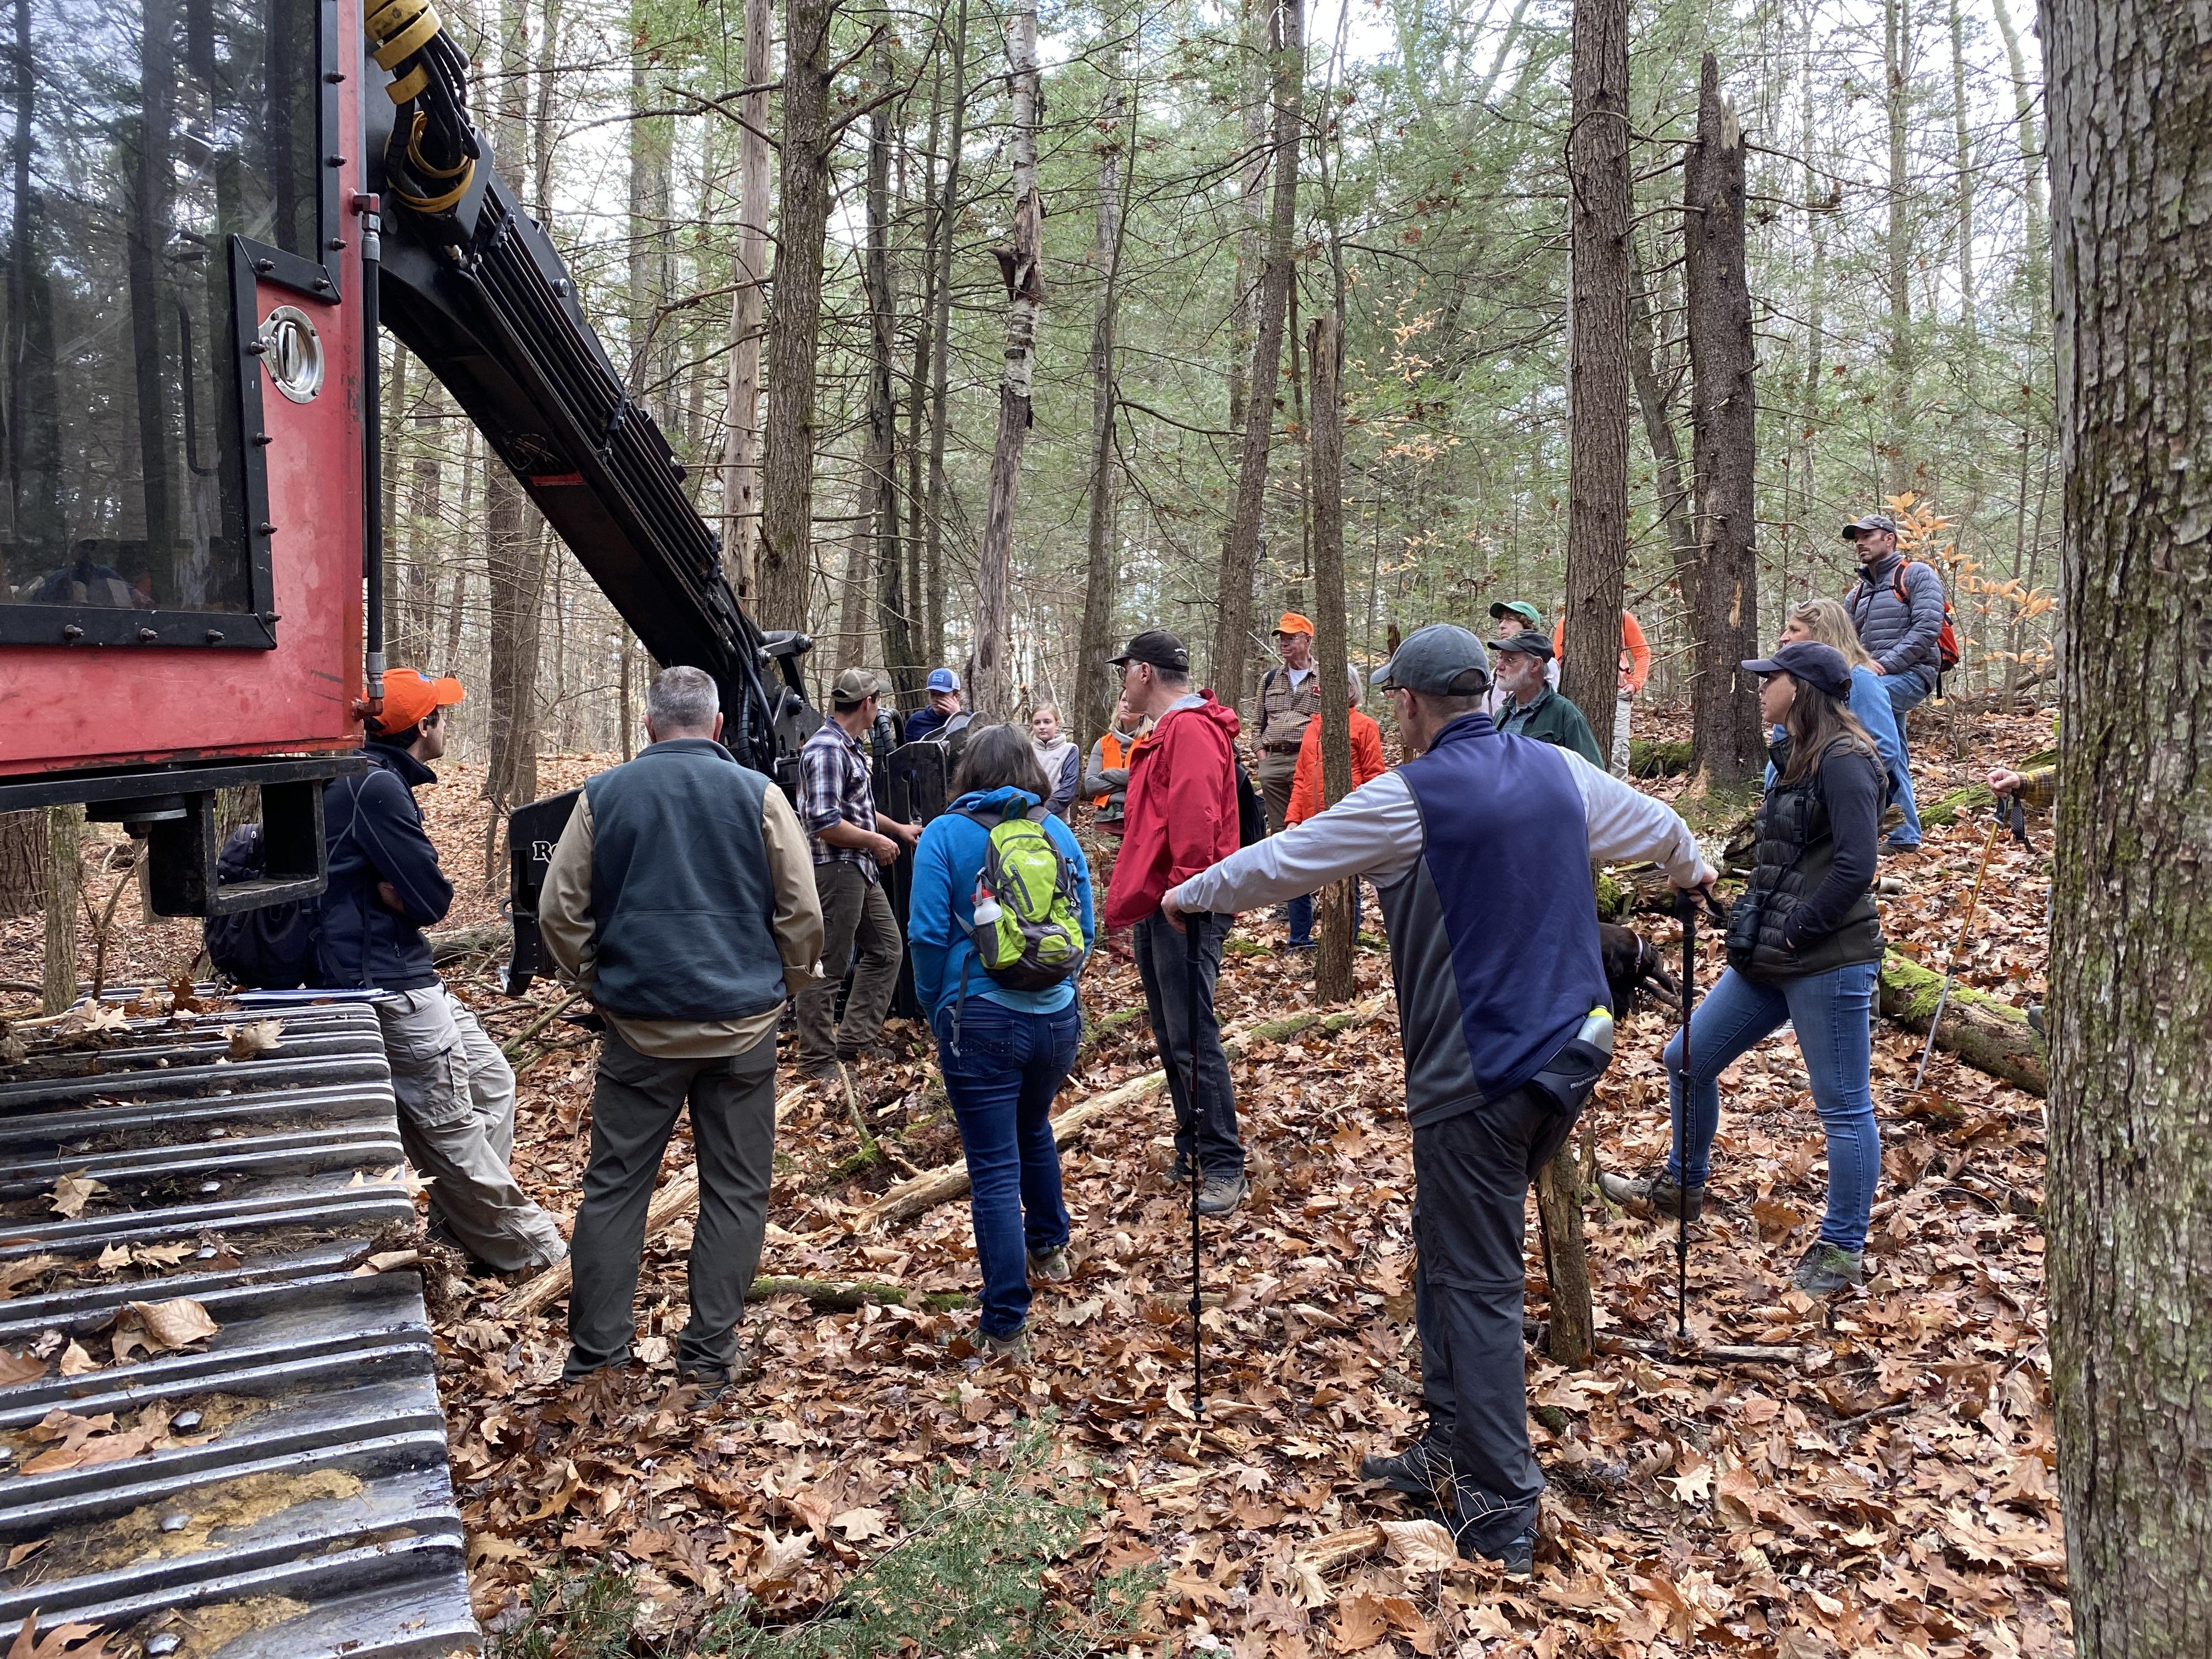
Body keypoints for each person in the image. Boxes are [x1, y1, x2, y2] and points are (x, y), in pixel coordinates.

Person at [1161, 624, 1712, 1571]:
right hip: (1573, 1049)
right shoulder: (1556, 773)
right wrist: (1693, 868)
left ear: (1411, 706)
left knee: (1476, 1270)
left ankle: (1500, 1504)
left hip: (1483, 1070)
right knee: (1450, 1244)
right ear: (1481, 693)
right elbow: (1660, 829)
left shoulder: (1403, 797)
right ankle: (1450, 1442)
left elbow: (1288, 858)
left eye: (1396, 700)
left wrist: (1189, 896)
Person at [537, 667, 826, 1392]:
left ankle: (597, 1360)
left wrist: (596, 981)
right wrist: (778, 989)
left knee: (615, 1189)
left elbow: (557, 911)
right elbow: (804, 913)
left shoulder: (604, 797)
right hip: (742, 1029)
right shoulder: (758, 795)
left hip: (638, 1027)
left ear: (649, 725)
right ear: (720, 726)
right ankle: (707, 1358)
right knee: (735, 1189)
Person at [1600, 641, 1886, 1298]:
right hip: (1772, 955)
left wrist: (1799, 927)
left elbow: (1855, 867)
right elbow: (1787, 860)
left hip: (1828, 959)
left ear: (1804, 689)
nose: (1761, 689)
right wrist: (1732, 907)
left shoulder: (1846, 759)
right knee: (1687, 1058)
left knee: (1843, 1109)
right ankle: (1681, 1186)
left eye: (1773, 679)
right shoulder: (1791, 756)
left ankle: (1842, 1252)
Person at [318, 669, 567, 1278]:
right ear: (422, 727)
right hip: (389, 986)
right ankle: (540, 1255)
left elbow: (414, 895)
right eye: (441, 715)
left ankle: (459, 1230)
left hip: (409, 973)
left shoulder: (377, 781)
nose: (446, 724)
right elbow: (432, 900)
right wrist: (403, 894)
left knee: (492, 1082)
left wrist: (400, 892)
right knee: (450, 1128)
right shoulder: (373, 788)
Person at [906, 724, 1096, 1362]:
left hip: (978, 1020)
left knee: (992, 1165)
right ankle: (1051, 1247)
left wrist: (938, 1005)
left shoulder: (944, 836)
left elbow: (929, 935)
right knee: (1034, 1126)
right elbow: (1086, 928)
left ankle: (1006, 1324)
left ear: (968, 774)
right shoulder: (1059, 832)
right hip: (1055, 1020)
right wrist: (1059, 985)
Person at [1104, 629, 1248, 1215]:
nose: (1122, 682)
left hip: (1186, 904)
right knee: (1171, 1032)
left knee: (1192, 1035)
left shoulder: (1189, 729)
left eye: (1125, 671)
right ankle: (1193, 1143)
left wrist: (1186, 893)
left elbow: (1196, 815)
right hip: (1163, 901)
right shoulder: (1167, 731)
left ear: (1144, 672)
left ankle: (1223, 1162)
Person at [794, 667, 921, 1076]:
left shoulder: (849, 748)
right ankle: (816, 1062)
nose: (879, 709)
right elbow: (824, 822)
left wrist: (896, 829)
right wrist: (874, 842)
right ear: (867, 704)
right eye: (878, 702)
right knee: (829, 965)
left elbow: (856, 810)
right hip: (835, 870)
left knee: (887, 951)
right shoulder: (827, 750)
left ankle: (854, 1044)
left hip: (858, 868)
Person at [1841, 511, 1946, 853]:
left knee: (1849, 712)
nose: (1860, 542)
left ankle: (1856, 814)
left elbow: (1927, 629)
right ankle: (1906, 835)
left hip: (1912, 675)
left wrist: (1881, 667)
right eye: (1856, 537)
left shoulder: (1916, 575)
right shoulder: (1855, 596)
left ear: (1889, 538)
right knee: (1895, 748)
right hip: (1872, 680)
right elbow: (1845, 645)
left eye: (1868, 535)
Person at [1769, 598, 1914, 834]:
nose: (1784, 637)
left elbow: (1885, 749)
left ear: (1823, 634)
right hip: (1790, 810)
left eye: (1795, 630)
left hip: (1831, 812)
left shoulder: (1860, 680)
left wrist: (1829, 787)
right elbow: (1781, 751)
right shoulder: (1794, 685)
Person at [1284, 665, 1389, 942]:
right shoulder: (1312, 726)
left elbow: (1375, 776)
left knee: (1346, 884)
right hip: (1310, 819)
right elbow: (1301, 778)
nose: (1322, 692)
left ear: (1351, 690)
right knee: (1296, 880)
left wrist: (1361, 816)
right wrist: (1294, 818)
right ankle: (1299, 941)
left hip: (1344, 819)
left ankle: (1345, 944)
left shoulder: (1365, 725)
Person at [1255, 617, 1324, 942]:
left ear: (1307, 640)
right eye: (1281, 638)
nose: (1284, 643)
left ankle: (1316, 891)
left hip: (1308, 760)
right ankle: (1291, 899)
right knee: (1281, 832)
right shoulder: (1270, 679)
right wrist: (1262, 758)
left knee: (1310, 826)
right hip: (1274, 759)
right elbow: (1257, 722)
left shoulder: (1325, 676)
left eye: (1291, 638)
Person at [1551, 611, 1651, 778]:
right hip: (1575, 695)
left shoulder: (1623, 617)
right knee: (1575, 754)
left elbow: (1642, 653)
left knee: (1617, 754)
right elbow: (1557, 661)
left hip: (1617, 694)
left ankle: (1618, 802)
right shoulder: (1566, 621)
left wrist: (1635, 683)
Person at [1491, 633, 1604, 768]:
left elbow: (1593, 775)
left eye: (1509, 660)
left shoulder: (1566, 715)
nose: (1499, 666)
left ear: (1535, 665)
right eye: (1500, 658)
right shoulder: (1503, 713)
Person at [1082, 697, 1149, 837]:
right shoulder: (1102, 743)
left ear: (1143, 711)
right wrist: (1133, 781)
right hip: (1106, 818)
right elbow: (1091, 786)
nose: (1126, 704)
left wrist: (1107, 773)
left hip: (1141, 819)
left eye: (1131, 700)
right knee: (1103, 859)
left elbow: (1149, 778)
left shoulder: (1151, 741)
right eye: (1124, 700)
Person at [1483, 602, 1556, 718]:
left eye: (1510, 620)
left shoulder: (1546, 664)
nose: (1502, 625)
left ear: (1529, 626)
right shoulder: (1496, 673)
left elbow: (1550, 708)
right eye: (1500, 620)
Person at [1029, 703, 1081, 819]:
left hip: (1058, 819)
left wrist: (1043, 811)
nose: (1042, 726)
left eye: (1047, 722)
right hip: (1027, 817)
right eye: (1037, 723)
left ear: (1057, 724)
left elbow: (1068, 789)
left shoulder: (1069, 750)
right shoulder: (1027, 749)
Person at [905, 667, 965, 743]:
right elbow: (906, 751)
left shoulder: (968, 720)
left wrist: (958, 717)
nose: (936, 699)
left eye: (942, 694)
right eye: (933, 694)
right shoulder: (916, 720)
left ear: (956, 697)